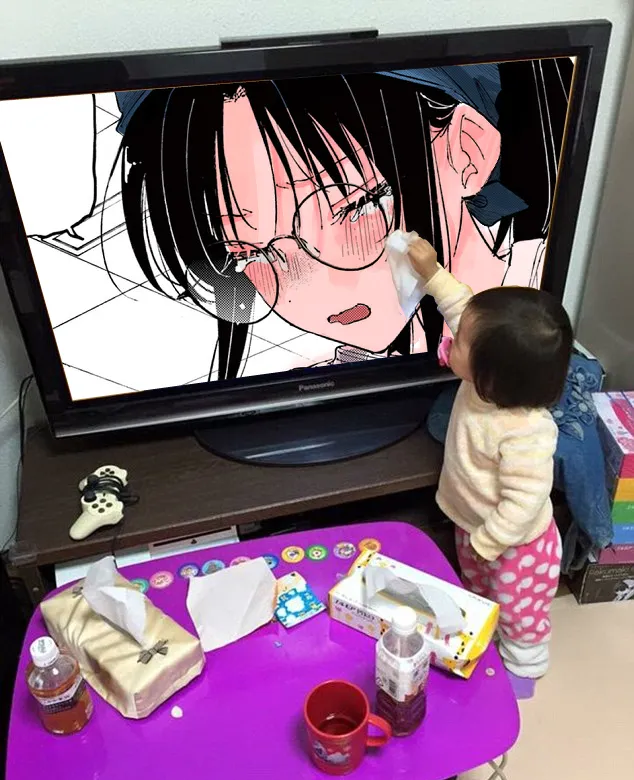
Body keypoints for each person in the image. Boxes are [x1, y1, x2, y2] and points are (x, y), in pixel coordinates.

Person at [115, 58, 573, 380]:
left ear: (467, 149)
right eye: (249, 251)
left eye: (356, 208)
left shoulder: (538, 328)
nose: (310, 289)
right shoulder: (343, 366)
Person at [407, 235, 573, 685]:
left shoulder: (525, 431)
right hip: (474, 524)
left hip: (517, 547)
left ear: (492, 375)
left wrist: (489, 541)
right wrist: (431, 272)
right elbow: (462, 307)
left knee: (521, 615)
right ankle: (488, 634)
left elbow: (524, 502)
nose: (452, 338)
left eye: (459, 342)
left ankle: (524, 668)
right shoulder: (489, 372)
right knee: (479, 593)